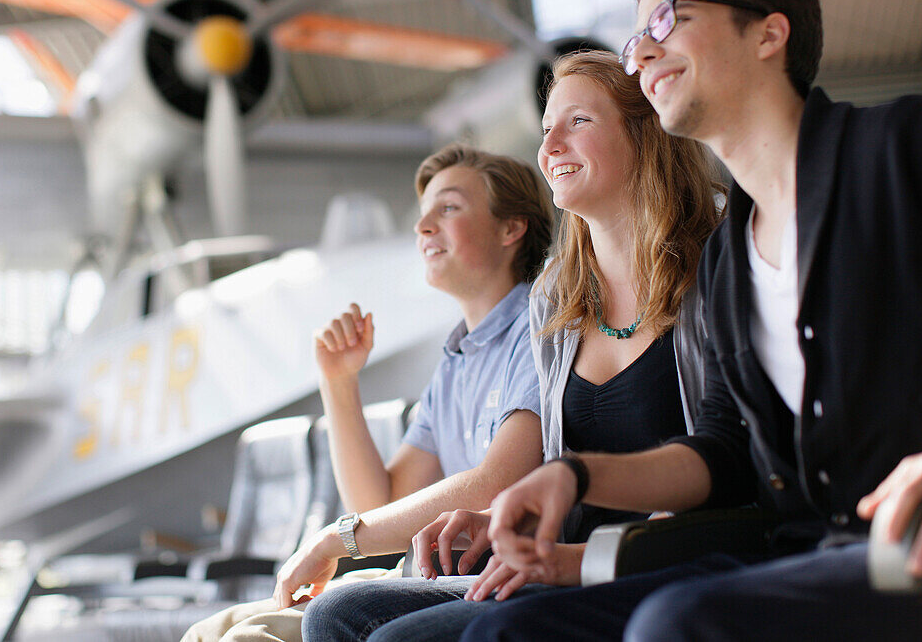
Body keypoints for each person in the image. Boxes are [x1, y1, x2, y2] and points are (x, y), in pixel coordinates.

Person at [462, 0, 922, 642]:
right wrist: (574, 474)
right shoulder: (729, 261)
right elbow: (723, 450)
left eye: (667, 18)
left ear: (768, 33)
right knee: (501, 632)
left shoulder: (910, 149)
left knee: (679, 623)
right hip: (823, 558)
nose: (639, 52)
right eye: (637, 35)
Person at [301, 49, 722, 642]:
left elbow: (719, 462)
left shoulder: (715, 272)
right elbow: (495, 486)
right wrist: (499, 524)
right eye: (546, 128)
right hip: (563, 557)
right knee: (333, 614)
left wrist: (340, 538)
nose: (550, 145)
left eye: (578, 121)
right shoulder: (559, 297)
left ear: (645, 132)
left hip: (653, 557)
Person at [180, 143, 553, 642]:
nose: (422, 228)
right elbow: (380, 500)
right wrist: (338, 382)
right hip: (426, 576)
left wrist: (334, 540)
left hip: (491, 578)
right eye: (423, 215)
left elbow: (496, 483)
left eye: (448, 208)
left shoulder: (539, 327)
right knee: (211, 630)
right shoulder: (456, 361)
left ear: (512, 228)